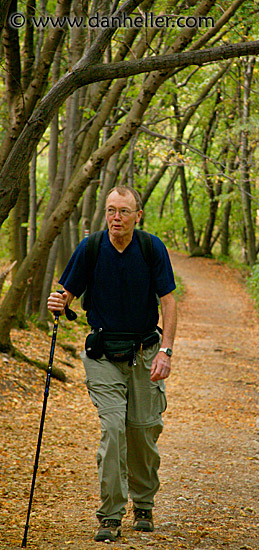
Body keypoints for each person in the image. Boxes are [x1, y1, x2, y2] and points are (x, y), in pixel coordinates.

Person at [48, 186, 177, 543]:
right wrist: (58, 303)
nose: (116, 218)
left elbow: (168, 301)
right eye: (110, 210)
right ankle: (110, 514)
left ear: (138, 215)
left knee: (143, 430)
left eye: (123, 211)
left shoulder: (152, 249)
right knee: (114, 429)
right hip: (103, 354)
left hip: (146, 352)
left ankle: (144, 501)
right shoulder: (90, 249)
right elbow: (66, 294)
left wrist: (166, 352)